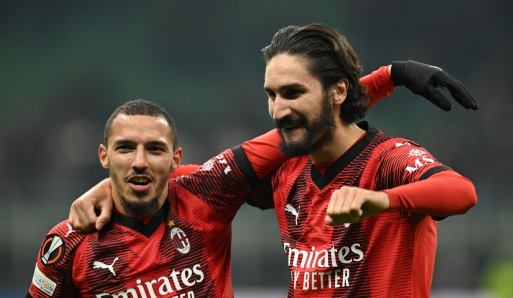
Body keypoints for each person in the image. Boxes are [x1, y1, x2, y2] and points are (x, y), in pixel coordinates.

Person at [63, 25, 478, 298]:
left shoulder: (386, 160)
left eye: (292, 93)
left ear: (337, 91)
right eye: (271, 95)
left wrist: (381, 202)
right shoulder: (285, 169)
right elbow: (194, 182)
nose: (278, 109)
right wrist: (114, 186)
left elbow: (461, 192)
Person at [27, 69, 409, 297]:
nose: (140, 161)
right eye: (125, 149)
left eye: (155, 150)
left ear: (176, 158)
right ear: (103, 157)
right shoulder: (68, 244)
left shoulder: (205, 191)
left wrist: (387, 78)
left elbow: (305, 122)